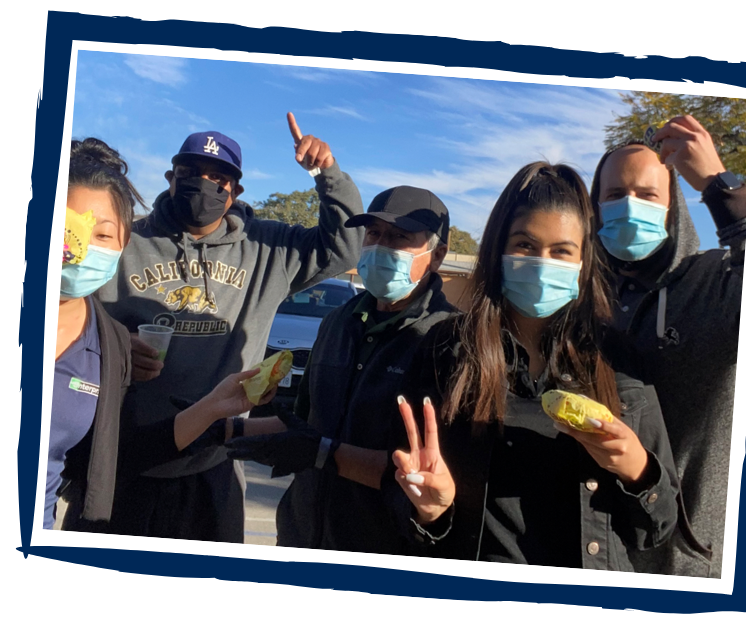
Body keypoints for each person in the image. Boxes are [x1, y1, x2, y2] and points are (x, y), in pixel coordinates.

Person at [387, 162, 680, 570]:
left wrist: (636, 468)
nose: (543, 263)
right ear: (499, 250)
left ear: (584, 261)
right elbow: (400, 493)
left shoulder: (616, 359)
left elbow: (657, 529)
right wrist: (430, 512)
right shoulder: (447, 350)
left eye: (561, 251)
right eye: (525, 245)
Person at [94, 114, 365, 544]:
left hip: (215, 462)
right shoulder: (124, 239)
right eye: (190, 173)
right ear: (170, 178)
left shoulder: (269, 248)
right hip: (125, 458)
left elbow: (345, 247)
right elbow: (72, 313)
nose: (203, 185)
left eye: (218, 179)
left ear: (235, 191)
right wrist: (113, 343)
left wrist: (326, 174)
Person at [49, 138, 277, 533]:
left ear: (123, 241)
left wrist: (214, 409)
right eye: (72, 230)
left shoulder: (97, 345)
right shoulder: (99, 338)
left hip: (196, 470)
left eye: (103, 235)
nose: (78, 251)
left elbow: (111, 457)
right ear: (171, 177)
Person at [225, 186, 460, 557]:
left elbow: (434, 474)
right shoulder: (337, 321)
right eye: (374, 234)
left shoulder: (452, 340)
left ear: (438, 255)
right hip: (300, 531)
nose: (380, 246)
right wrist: (223, 428)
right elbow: (303, 424)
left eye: (399, 237)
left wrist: (323, 454)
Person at [589, 115, 746, 579]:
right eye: (614, 195)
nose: (629, 205)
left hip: (682, 559)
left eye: (647, 195)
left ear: (673, 208)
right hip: (596, 546)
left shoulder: (717, 283)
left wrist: (720, 188)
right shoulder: (589, 298)